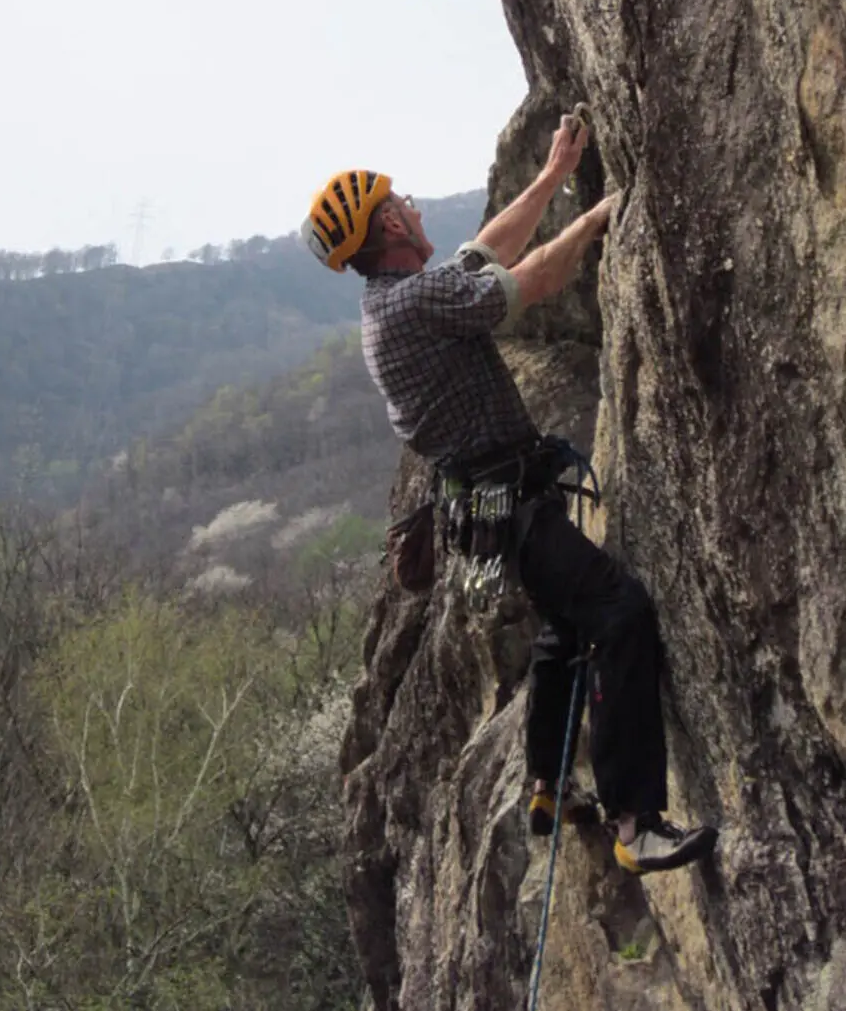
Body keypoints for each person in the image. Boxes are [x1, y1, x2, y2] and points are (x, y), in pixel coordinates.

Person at [301, 119, 717, 874]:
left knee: (565, 622)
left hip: (492, 506)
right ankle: (635, 821)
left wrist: (556, 173)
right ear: (391, 223)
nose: (419, 209)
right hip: (509, 506)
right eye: (408, 202)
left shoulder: (396, 299)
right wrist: (599, 215)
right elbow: (528, 281)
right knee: (619, 611)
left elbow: (485, 251)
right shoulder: (415, 303)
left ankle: (547, 786)